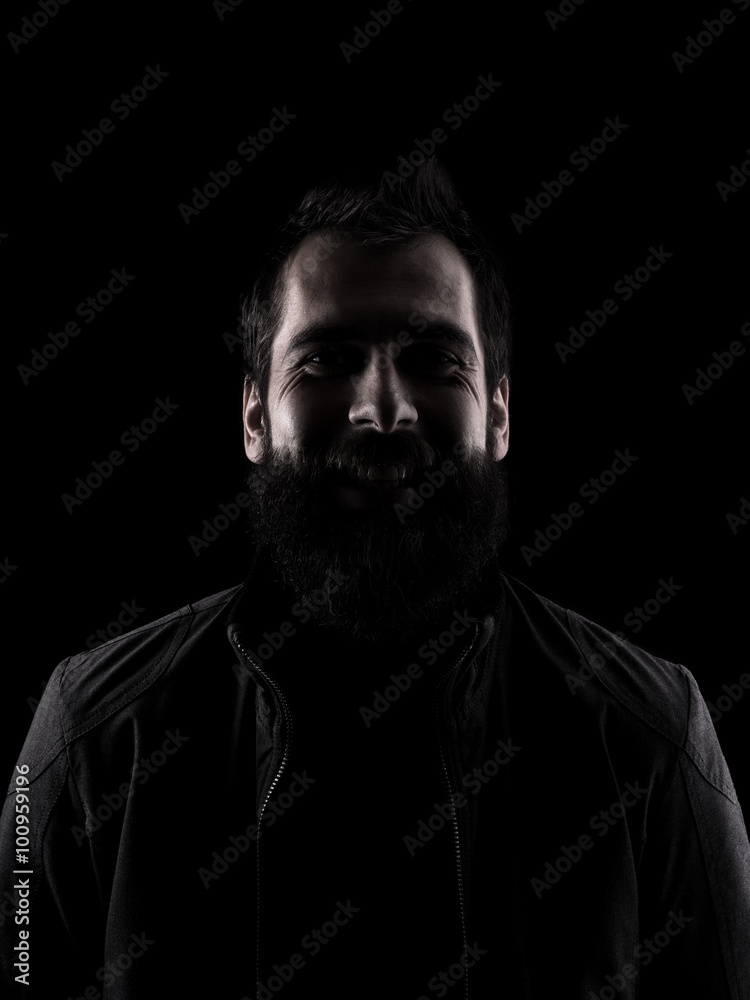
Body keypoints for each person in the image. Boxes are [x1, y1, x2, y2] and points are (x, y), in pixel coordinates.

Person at [1, 159, 748, 1000]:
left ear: (500, 413)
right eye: (325, 359)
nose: (383, 410)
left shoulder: (651, 737)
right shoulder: (88, 738)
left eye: (434, 358)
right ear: (254, 417)